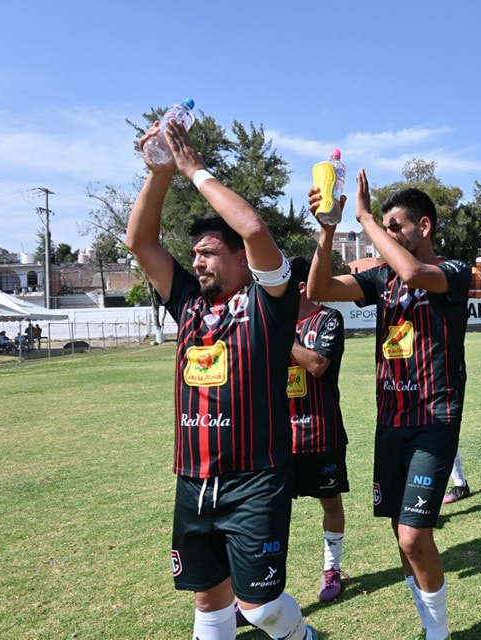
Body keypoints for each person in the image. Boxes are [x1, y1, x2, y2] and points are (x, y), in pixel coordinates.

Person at [124, 119, 317, 640]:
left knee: (258, 606)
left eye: (209, 252)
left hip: (255, 479)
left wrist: (194, 170)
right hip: (193, 478)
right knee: (209, 598)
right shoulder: (187, 300)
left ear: (239, 259)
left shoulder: (267, 302)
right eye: (195, 254)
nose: (198, 261)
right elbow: (139, 242)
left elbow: (253, 227)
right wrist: (160, 172)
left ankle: (301, 636)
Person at [307, 169, 469, 640]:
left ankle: (438, 634)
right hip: (390, 421)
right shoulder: (380, 280)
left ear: (425, 227)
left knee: (414, 536)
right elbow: (318, 291)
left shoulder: (451, 272)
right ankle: (427, 625)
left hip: (434, 419)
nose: (387, 233)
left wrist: (363, 214)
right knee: (401, 535)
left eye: (395, 225)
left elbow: (414, 272)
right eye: (384, 224)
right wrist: (330, 226)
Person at [286, 256, 349, 603]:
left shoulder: (328, 318)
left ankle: (331, 569)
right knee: (270, 512)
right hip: (277, 439)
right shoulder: (265, 320)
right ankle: (262, 588)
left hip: (321, 434)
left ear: (297, 286)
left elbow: (317, 365)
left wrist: (281, 337)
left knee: (330, 502)